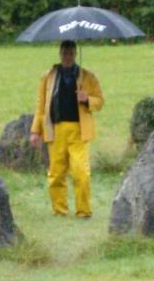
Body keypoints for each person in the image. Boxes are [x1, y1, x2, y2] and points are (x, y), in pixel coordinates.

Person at [29, 40, 104, 218]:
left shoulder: (88, 77)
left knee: (81, 172)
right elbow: (41, 105)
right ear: (60, 54)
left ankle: (83, 211)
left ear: (75, 54)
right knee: (56, 174)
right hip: (55, 129)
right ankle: (60, 210)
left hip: (79, 130)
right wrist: (35, 131)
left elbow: (100, 101)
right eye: (64, 53)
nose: (67, 56)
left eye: (70, 53)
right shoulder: (48, 77)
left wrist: (87, 99)